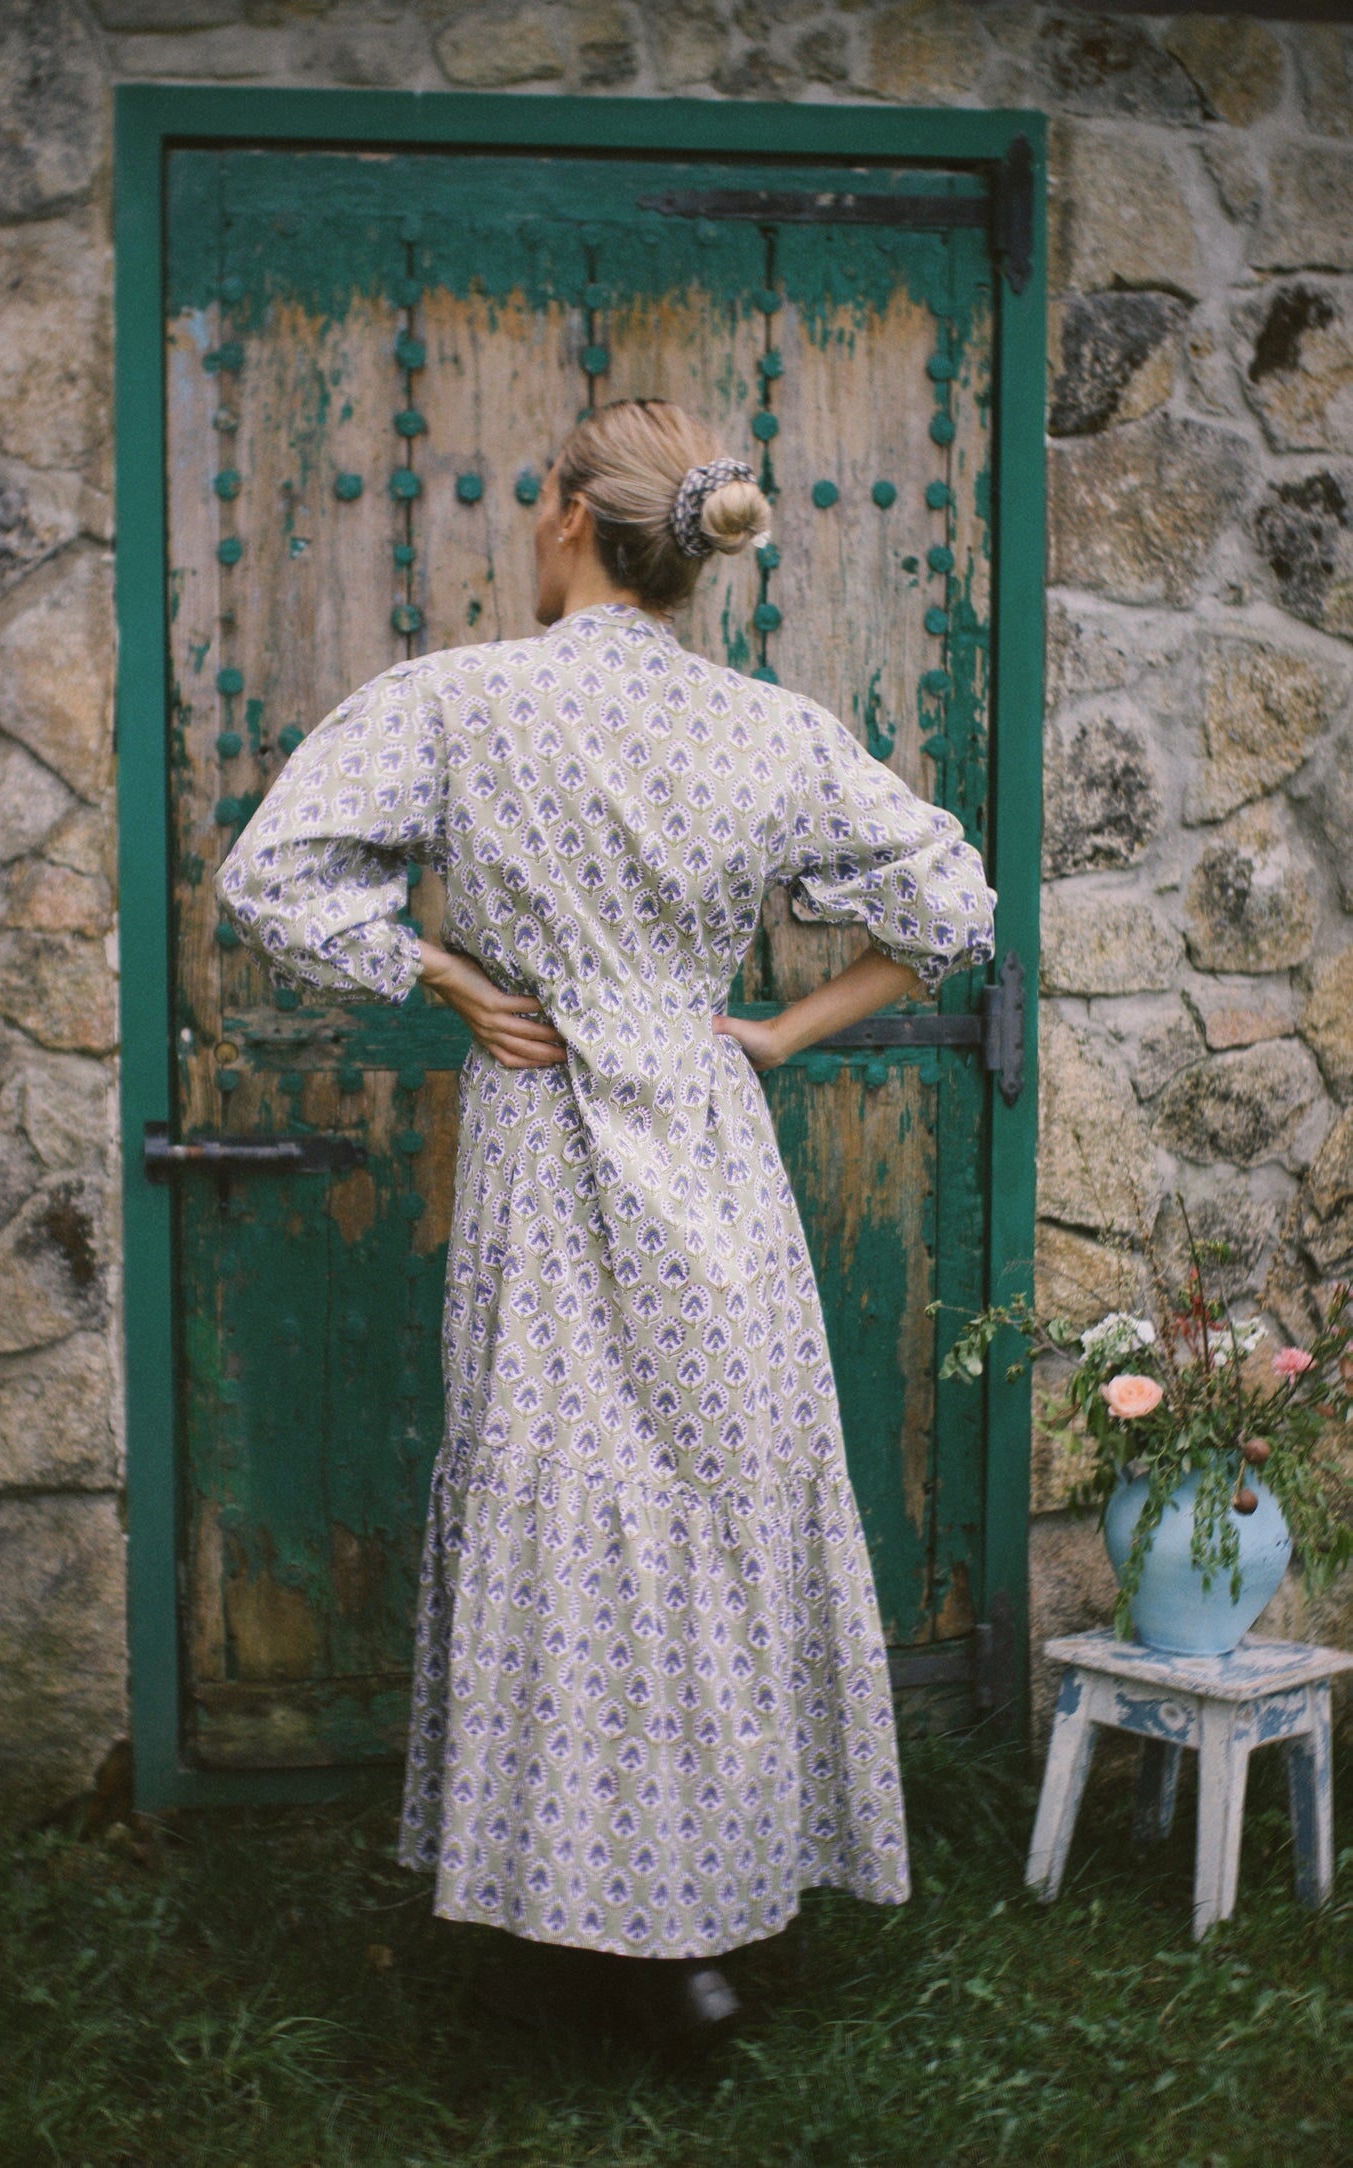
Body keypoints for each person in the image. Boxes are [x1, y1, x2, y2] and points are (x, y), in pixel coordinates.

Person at [216, 397, 997, 2051]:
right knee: (717, 1507)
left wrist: (449, 971)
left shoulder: (457, 702)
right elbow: (949, 904)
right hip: (708, 1150)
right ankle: (695, 1933)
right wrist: (778, 1035)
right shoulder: (771, 732)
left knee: (560, 1501)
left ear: (566, 515)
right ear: (698, 548)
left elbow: (276, 872)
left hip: (549, 1130)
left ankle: (562, 1918)